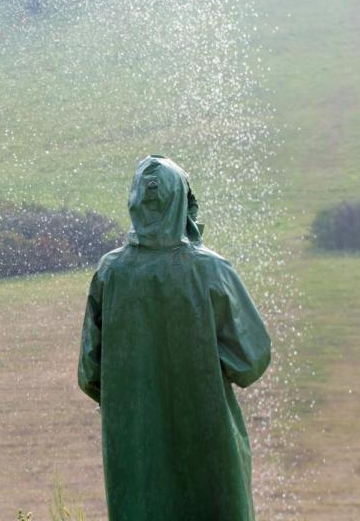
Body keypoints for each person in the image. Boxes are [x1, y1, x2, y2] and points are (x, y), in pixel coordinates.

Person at [78, 155, 271, 521]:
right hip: (212, 447)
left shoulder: (110, 274)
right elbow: (252, 360)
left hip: (135, 453)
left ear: (135, 201)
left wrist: (135, 401)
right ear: (183, 200)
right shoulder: (211, 270)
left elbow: (90, 374)